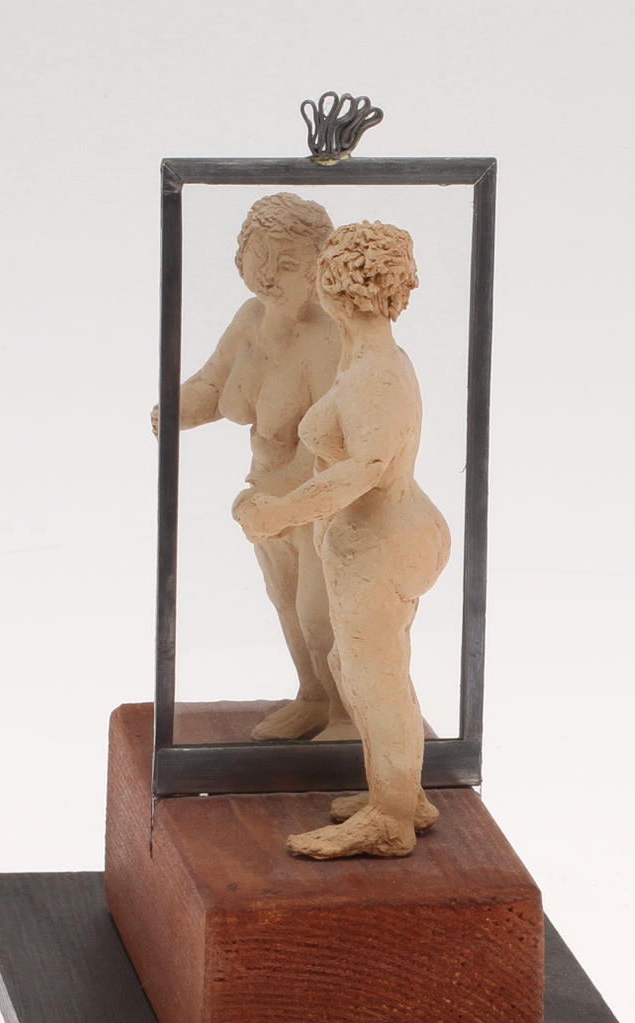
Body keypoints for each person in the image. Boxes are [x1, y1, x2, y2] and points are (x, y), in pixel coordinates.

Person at [234, 222, 450, 858]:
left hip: (380, 540)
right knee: (357, 667)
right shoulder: (366, 360)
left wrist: (279, 514)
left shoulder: (373, 374)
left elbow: (363, 470)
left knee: (373, 675)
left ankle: (390, 818)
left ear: (333, 285)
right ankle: (402, 794)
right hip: (385, 533)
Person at [152, 193, 355, 741]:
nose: (267, 276)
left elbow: (332, 443)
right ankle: (313, 697)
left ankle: (348, 717)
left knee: (320, 614)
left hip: (317, 501)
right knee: (285, 602)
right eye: (256, 258)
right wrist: (173, 411)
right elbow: (212, 385)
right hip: (263, 498)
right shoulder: (250, 319)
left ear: (318, 266)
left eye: (286, 264)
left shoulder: (333, 335)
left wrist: (283, 505)